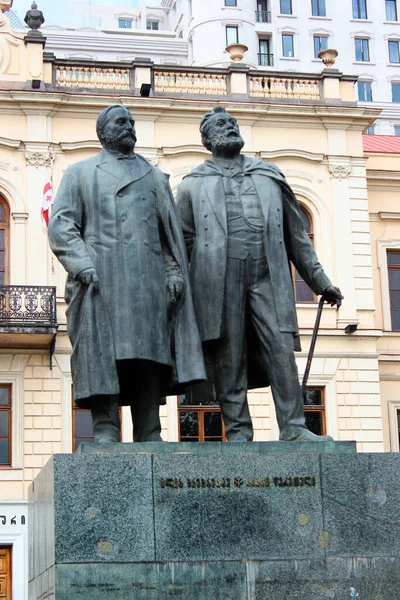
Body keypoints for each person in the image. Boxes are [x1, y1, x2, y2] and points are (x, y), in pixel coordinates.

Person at [177, 106, 343, 442]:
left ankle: (294, 428)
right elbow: (183, 243)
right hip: (217, 280)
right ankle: (238, 430)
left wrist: (320, 281)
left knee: (280, 348)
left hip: (267, 274)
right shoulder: (192, 185)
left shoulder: (269, 175)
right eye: (222, 125)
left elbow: (297, 236)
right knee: (229, 354)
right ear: (207, 139)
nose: (231, 127)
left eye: (233, 123)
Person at [49, 104, 205, 443]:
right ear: (103, 131)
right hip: (100, 280)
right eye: (122, 121)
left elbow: (169, 236)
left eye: (132, 122)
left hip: (147, 282)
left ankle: (150, 430)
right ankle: (105, 429)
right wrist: (82, 264)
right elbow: (61, 225)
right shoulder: (80, 173)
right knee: (103, 355)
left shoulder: (153, 176)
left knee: (147, 357)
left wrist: (174, 270)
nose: (130, 126)